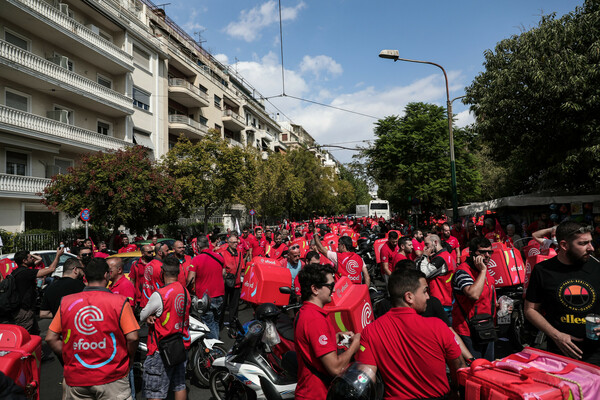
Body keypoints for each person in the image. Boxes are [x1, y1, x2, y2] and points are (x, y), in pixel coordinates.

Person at [356, 268, 463, 400]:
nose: (428, 296)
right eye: (424, 291)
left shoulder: (370, 331)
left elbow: (365, 378)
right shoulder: (438, 326)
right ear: (409, 297)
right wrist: (455, 389)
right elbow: (458, 365)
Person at [45, 258, 140, 399]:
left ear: (85, 276)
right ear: (106, 275)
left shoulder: (67, 302)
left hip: (77, 378)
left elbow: (50, 338)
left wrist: (69, 354)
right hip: (112, 377)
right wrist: (130, 359)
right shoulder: (119, 302)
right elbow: (132, 337)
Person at [525, 221, 600, 365]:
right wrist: (556, 335)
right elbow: (530, 310)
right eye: (583, 243)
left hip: (596, 354)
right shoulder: (543, 271)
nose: (591, 248)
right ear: (564, 245)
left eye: (591, 242)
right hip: (561, 354)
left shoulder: (597, 268)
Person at [295, 264, 361, 400]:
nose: (334, 290)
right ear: (315, 289)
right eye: (330, 286)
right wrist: (355, 345)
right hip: (316, 394)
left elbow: (311, 345)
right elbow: (335, 368)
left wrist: (335, 337)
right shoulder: (315, 319)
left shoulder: (304, 312)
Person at [140, 255, 190, 400]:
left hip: (161, 348)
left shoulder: (160, 294)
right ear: (178, 272)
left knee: (155, 391)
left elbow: (143, 315)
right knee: (179, 384)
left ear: (162, 272)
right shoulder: (184, 291)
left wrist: (149, 316)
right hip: (181, 344)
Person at [452, 237, 497, 361]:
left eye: (490, 252)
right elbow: (473, 294)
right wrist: (483, 271)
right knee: (474, 369)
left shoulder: (484, 270)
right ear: (472, 253)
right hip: (468, 331)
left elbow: (488, 295)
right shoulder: (463, 272)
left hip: (486, 326)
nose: (487, 256)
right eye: (482, 252)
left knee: (489, 368)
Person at [4, 248, 62, 334]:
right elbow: (51, 269)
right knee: (23, 335)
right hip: (24, 311)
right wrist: (58, 255)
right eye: (30, 257)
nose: (32, 259)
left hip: (26, 310)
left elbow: (38, 261)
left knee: (35, 333)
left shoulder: (17, 271)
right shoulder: (25, 273)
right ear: (24, 261)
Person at [188, 237, 225, 339]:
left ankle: (214, 348)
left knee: (208, 323)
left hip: (205, 298)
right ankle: (217, 343)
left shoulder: (196, 259)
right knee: (216, 321)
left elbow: (190, 280)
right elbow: (224, 273)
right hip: (219, 295)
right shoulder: (219, 257)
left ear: (198, 247)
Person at [417, 234, 455, 319]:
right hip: (446, 298)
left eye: (427, 244)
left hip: (441, 300)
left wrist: (425, 256)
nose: (425, 248)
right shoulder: (446, 255)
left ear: (435, 242)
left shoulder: (441, 258)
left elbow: (423, 273)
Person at [220, 234, 244, 327]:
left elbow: (242, 267)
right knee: (223, 305)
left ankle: (233, 323)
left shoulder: (240, 253)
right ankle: (220, 323)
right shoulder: (223, 254)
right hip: (226, 284)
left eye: (236, 242)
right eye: (233, 242)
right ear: (228, 243)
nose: (236, 244)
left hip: (237, 283)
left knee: (234, 306)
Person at [141, 243, 169, 308]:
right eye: (167, 251)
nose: (169, 252)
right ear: (160, 253)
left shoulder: (148, 265)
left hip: (146, 302)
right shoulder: (162, 267)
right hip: (158, 303)